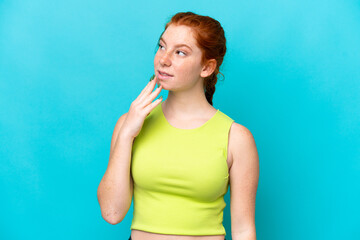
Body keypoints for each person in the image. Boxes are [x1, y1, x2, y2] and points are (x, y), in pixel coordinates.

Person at [97, 11, 259, 240]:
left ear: (206, 68)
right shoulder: (129, 125)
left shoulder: (236, 138)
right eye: (162, 46)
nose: (164, 59)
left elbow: (244, 230)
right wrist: (126, 135)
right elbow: (112, 213)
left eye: (180, 52)